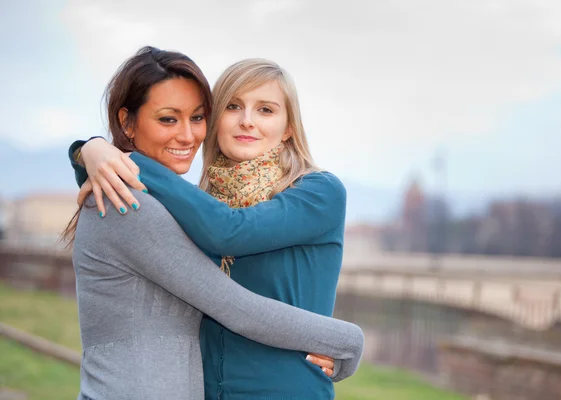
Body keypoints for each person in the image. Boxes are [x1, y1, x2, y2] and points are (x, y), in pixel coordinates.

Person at [64, 47, 363, 400]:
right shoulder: (191, 204)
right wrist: (92, 152)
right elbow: (228, 288)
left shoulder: (317, 192)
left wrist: (111, 155)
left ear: (288, 129)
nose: (247, 120)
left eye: (265, 109)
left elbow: (230, 231)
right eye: (232, 107)